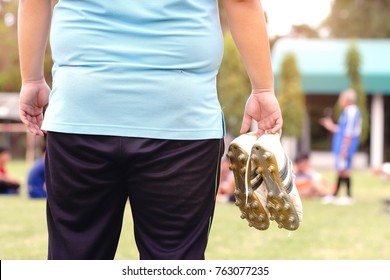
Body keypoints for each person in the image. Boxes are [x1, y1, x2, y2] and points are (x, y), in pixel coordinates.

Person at [18, 0, 282, 260]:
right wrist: (262, 89)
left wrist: (31, 79)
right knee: (174, 262)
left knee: (75, 261)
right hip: (181, 118)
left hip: (81, 109)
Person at [320, 88, 362, 205]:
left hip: (346, 144)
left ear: (347, 99)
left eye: (341, 98)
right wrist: (330, 126)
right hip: (342, 143)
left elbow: (349, 132)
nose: (340, 100)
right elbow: (342, 129)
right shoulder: (347, 112)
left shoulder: (351, 111)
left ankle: (348, 195)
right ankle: (336, 194)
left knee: (345, 169)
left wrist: (345, 147)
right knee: (340, 169)